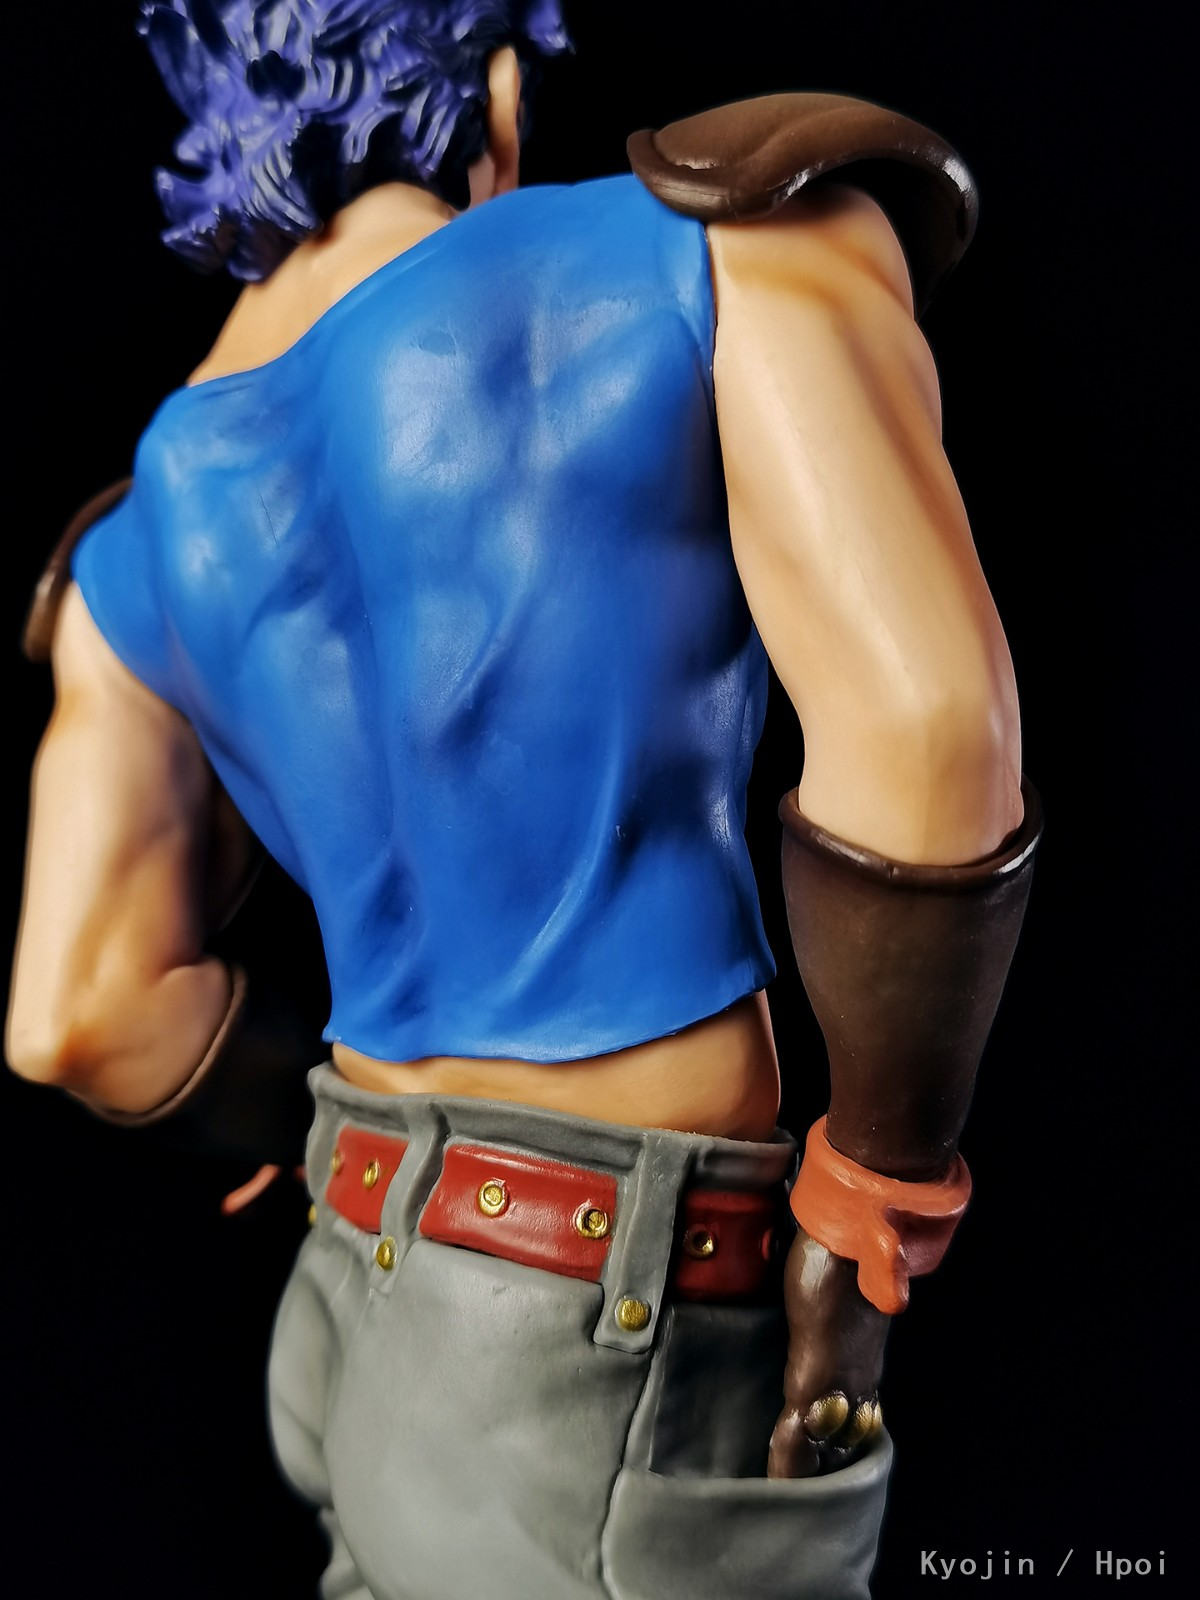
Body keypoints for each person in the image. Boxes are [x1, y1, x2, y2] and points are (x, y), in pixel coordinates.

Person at [6, 4, 1039, 1597]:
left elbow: (73, 1014)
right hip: (606, 1341)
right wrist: (877, 1181)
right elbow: (929, 727)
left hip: (351, 1313)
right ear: (489, 92)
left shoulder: (139, 532)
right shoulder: (726, 232)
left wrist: (336, 1152)